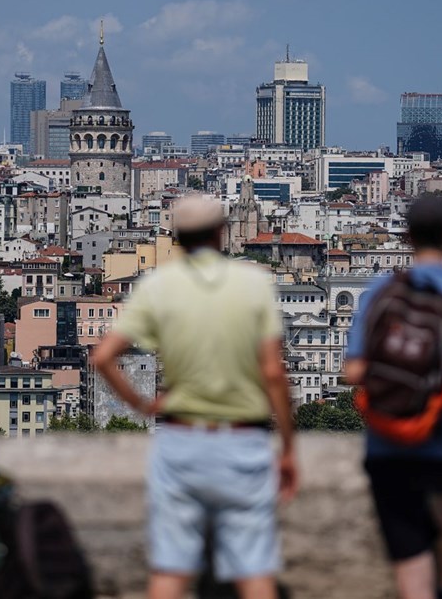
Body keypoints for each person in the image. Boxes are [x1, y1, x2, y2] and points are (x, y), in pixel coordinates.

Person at [91, 195, 297, 599]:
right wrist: (288, 446)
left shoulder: (158, 286)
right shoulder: (253, 283)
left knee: (171, 570)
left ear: (178, 237)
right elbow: (273, 371)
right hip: (243, 439)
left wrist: (141, 404)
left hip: (181, 438)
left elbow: (103, 357)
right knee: (254, 571)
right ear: (223, 232)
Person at [344, 195, 442, 599]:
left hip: (391, 439)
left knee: (410, 550)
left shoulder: (382, 290)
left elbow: (354, 371)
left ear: (407, 236)